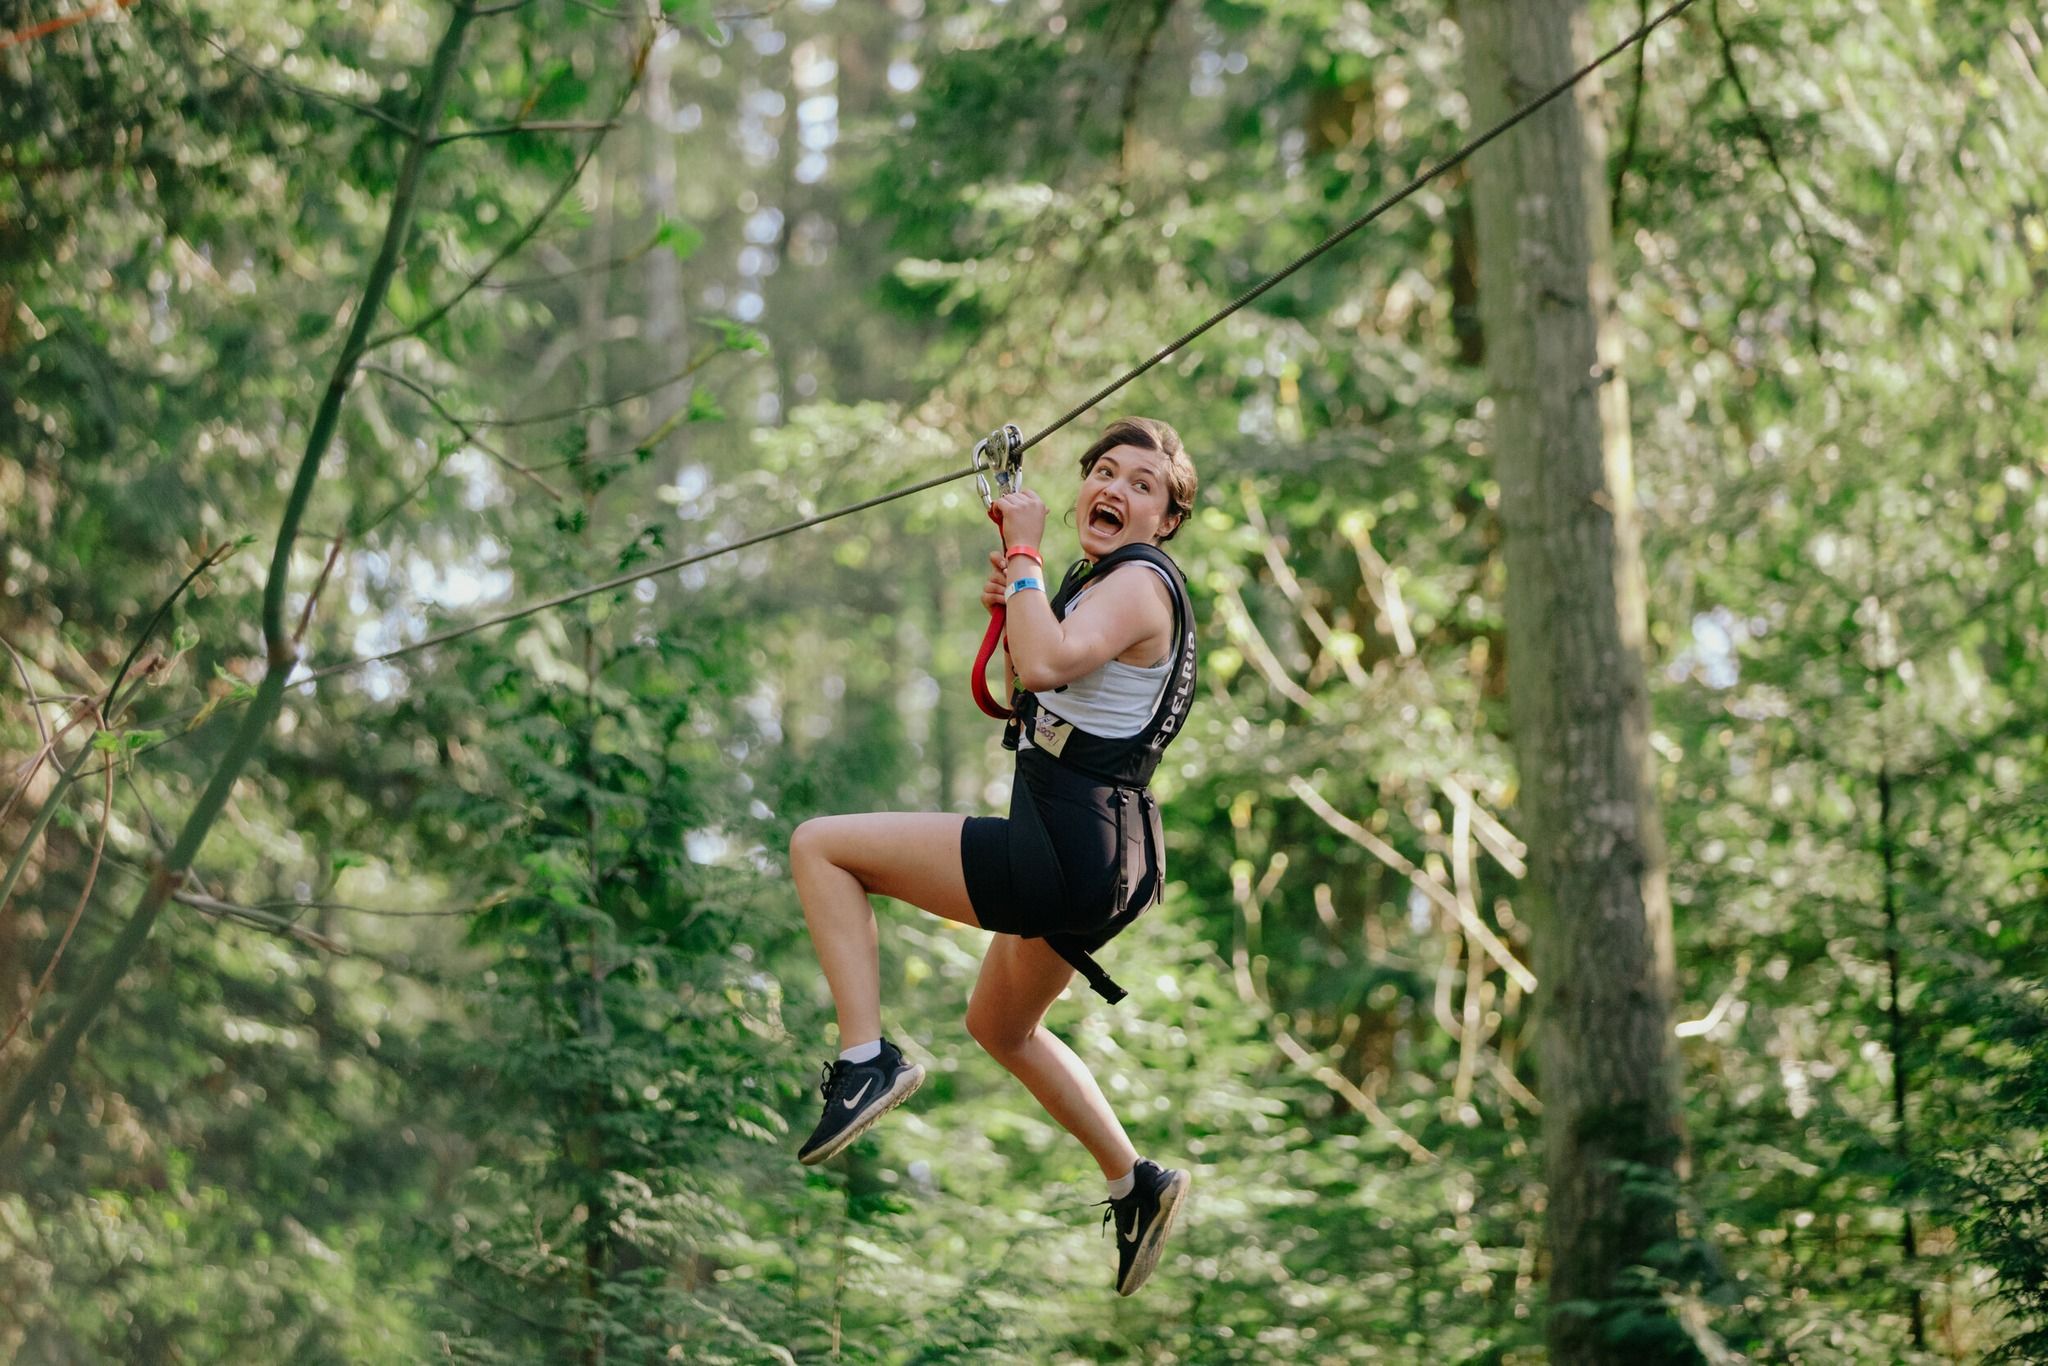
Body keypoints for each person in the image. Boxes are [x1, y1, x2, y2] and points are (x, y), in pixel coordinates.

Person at [787, 416, 1200, 1297]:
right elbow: (1043, 686)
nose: (1114, 490)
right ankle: (1137, 1183)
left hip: (1064, 849)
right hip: (1102, 858)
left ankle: (866, 1062)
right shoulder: (1113, 585)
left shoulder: (1137, 585)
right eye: (1104, 472)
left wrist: (1024, 558)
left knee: (820, 847)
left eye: (1141, 486)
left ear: (1165, 521)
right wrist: (1018, 596)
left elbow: (1045, 664)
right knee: (998, 1027)